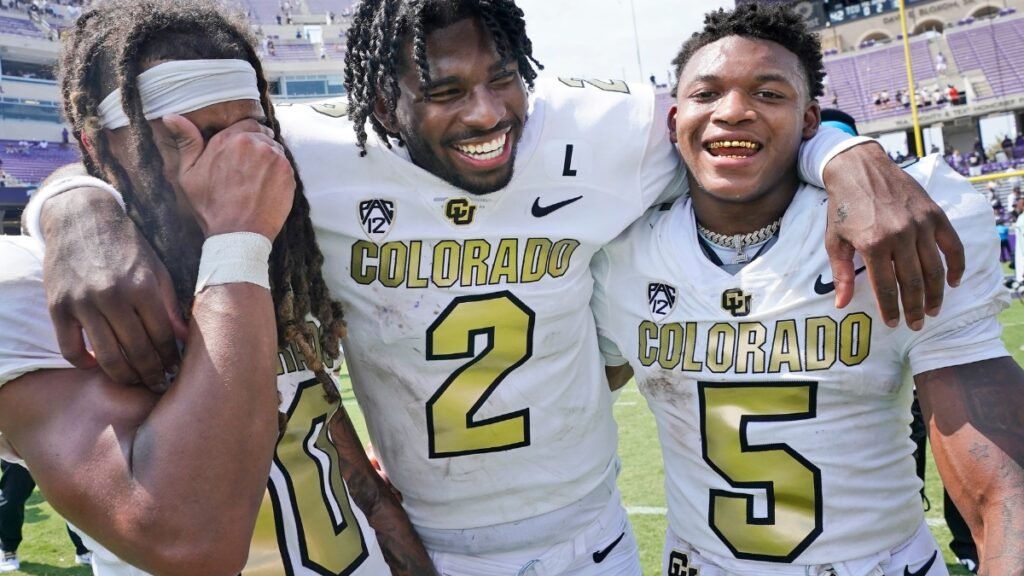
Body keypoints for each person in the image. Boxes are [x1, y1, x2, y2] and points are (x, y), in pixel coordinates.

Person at [29, 0, 965, 573]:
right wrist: (74, 203)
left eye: (503, 78)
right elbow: (150, 172)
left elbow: (737, 114)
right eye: (441, 89)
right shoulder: (301, 156)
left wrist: (845, 142)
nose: (485, 112)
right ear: (377, 101)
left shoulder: (599, 131)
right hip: (432, 543)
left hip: (591, 535)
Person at [0, 1, 431, 575]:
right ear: (103, 147)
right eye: (193, 138)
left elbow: (343, 466)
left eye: (249, 132)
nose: (240, 165)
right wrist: (237, 237)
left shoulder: (272, 264)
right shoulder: (28, 288)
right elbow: (188, 543)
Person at [591, 3, 1023, 574]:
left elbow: (1004, 488)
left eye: (769, 94)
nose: (734, 111)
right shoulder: (623, 254)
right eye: (706, 94)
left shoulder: (889, 233)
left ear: (810, 122)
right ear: (673, 121)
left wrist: (845, 151)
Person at [0, 461, 93, 572]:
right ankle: (8, 549)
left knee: (72, 497)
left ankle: (84, 549)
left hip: (55, 448)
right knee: (11, 500)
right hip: (18, 452)